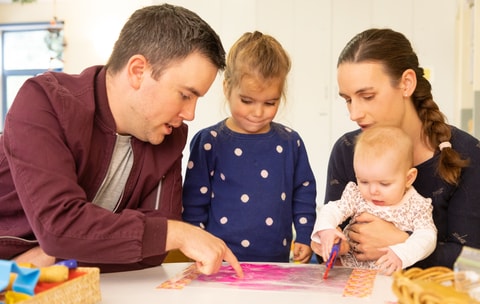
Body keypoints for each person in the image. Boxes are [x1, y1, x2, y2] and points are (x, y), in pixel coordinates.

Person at [0, 4, 243, 277]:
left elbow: (152, 253)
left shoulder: (170, 137)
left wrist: (53, 254)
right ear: (138, 71)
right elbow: (59, 227)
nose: (190, 114)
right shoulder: (44, 102)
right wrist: (174, 234)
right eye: (185, 95)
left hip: (62, 287)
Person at [313, 28, 480, 269]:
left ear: (406, 83)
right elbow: (328, 251)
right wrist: (328, 243)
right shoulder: (347, 149)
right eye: (348, 99)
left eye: (367, 96)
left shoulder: (467, 155)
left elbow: (473, 265)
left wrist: (402, 243)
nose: (354, 114)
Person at [182, 31, 316, 263]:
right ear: (227, 88)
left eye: (270, 103)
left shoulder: (290, 142)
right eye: (247, 101)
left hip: (277, 263)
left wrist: (304, 236)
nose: (257, 112)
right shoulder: (209, 142)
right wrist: (196, 246)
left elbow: (303, 192)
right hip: (220, 263)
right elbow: (194, 203)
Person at [311, 126, 437, 275]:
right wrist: (326, 229)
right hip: (347, 272)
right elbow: (332, 209)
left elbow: (428, 237)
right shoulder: (356, 195)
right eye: (364, 181)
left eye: (384, 184)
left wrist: (401, 253)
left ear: (408, 178)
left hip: (388, 277)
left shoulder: (417, 206)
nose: (372, 191)